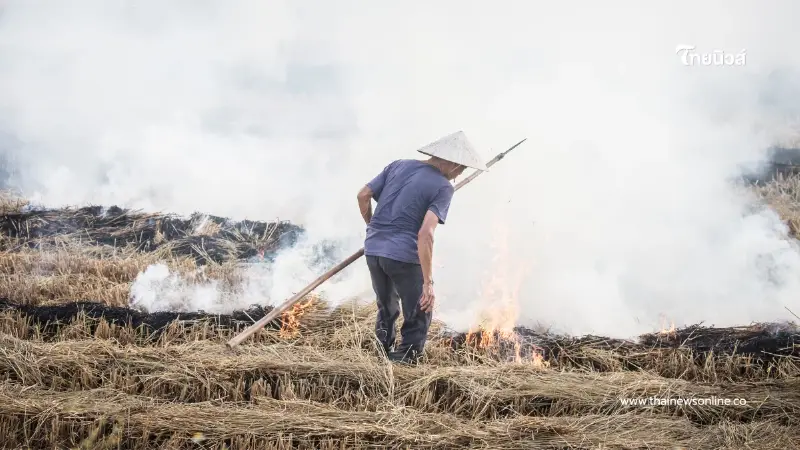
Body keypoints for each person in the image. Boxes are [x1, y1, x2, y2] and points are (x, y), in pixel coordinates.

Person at [356, 131, 487, 363]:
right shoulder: (443, 187)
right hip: (403, 256)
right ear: (452, 163)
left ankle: (381, 352)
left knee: (386, 306)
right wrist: (428, 283)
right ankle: (404, 362)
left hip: (373, 250)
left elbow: (363, 195)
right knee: (420, 310)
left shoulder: (397, 165)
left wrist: (373, 227)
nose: (458, 176)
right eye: (461, 169)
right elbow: (426, 233)